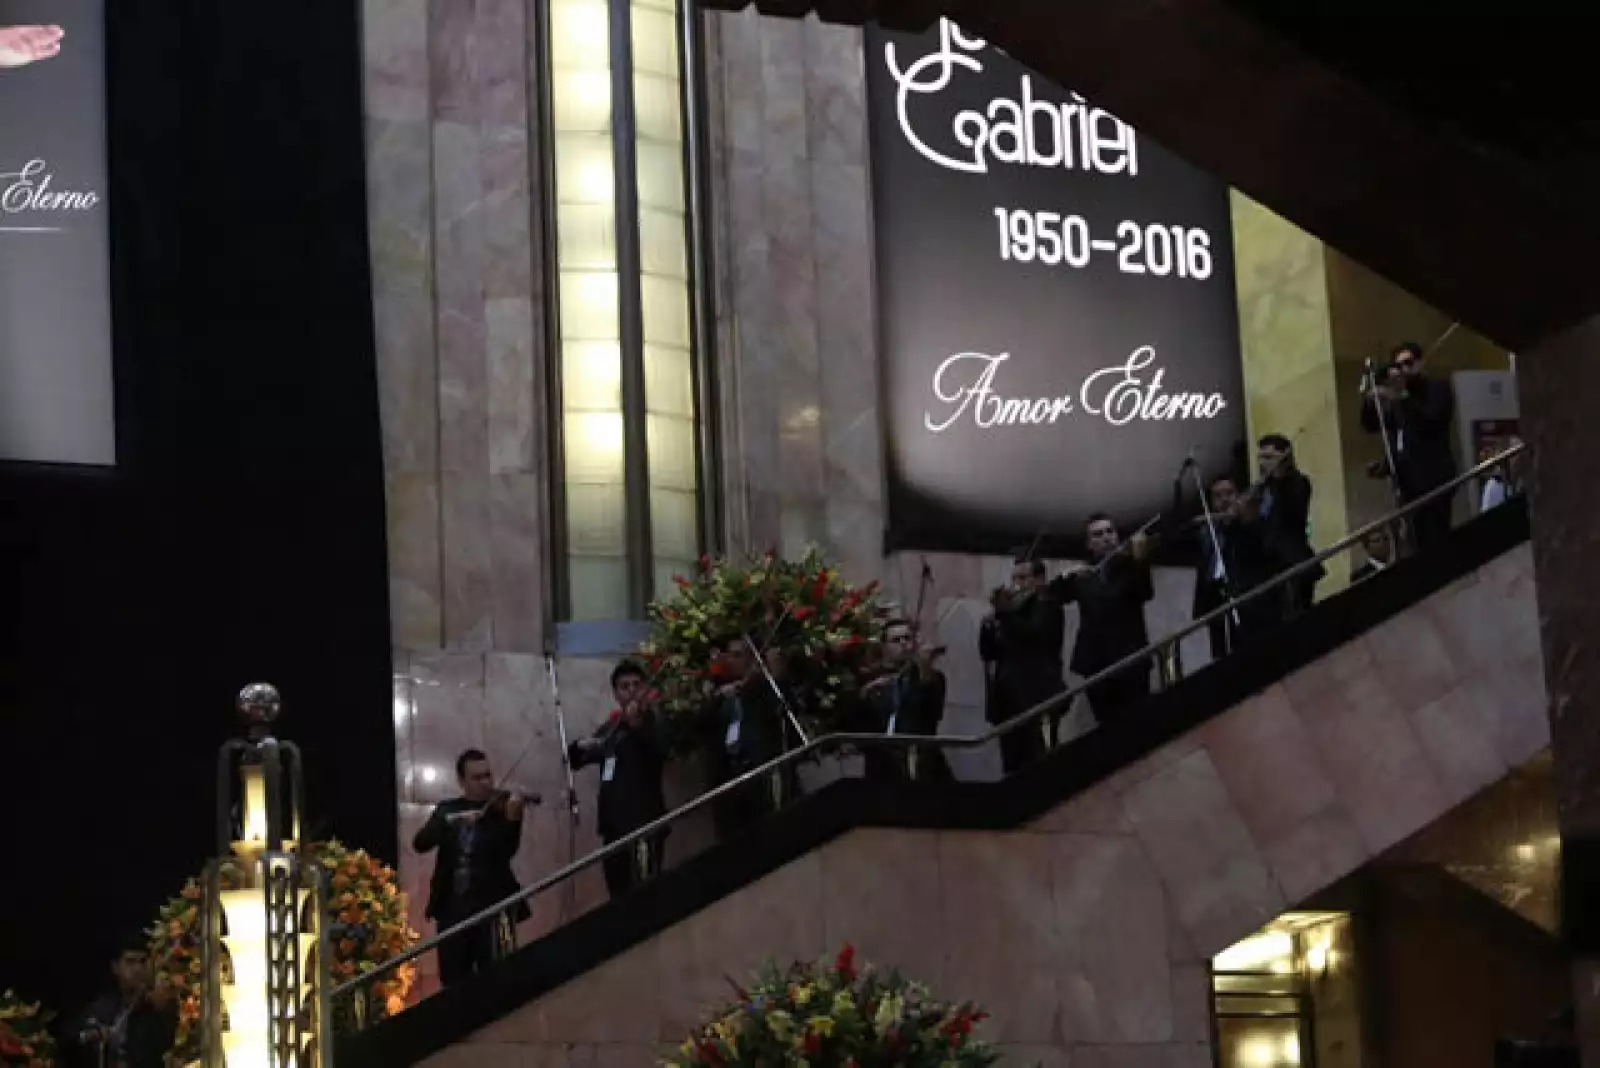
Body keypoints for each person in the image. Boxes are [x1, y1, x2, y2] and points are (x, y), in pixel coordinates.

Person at [412, 749, 533, 986]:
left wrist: (513, 820)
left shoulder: (502, 808)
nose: (485, 783)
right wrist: (452, 823)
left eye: (487, 775)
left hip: (492, 908)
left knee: (498, 980)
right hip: (453, 910)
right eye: (477, 778)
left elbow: (506, 851)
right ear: (462, 781)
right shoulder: (447, 809)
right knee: (453, 981)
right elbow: (420, 843)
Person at [568, 660, 668, 899]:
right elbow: (577, 759)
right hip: (613, 829)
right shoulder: (610, 728)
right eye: (625, 686)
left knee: (644, 892)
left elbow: (659, 753)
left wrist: (637, 726)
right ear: (616, 693)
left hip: (644, 824)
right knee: (618, 893)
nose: (632, 690)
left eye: (636, 684)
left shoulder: (653, 721)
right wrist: (579, 745)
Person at [1050, 514, 1156, 726]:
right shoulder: (1084, 575)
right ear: (1089, 544)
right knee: (1106, 726)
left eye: (1110, 531)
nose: (1107, 537)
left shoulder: (1130, 566)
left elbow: (1146, 592)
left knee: (1138, 724)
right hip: (1095, 662)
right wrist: (1066, 575)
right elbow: (1053, 597)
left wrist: (1140, 559)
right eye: (1098, 534)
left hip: (1131, 657)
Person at [1361, 341, 1457, 550]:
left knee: (1435, 540)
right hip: (1407, 486)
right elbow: (1374, 426)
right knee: (1414, 543)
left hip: (1434, 480)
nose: (1403, 369)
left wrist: (1402, 395)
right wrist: (1371, 399)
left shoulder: (1437, 388)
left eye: (1408, 363)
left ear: (1420, 363)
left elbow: (1431, 422)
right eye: (1398, 365)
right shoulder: (1398, 401)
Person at [707, 637, 801, 841]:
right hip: (729, 777)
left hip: (760, 773)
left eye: (738, 655)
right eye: (729, 656)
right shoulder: (722, 694)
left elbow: (785, 709)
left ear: (752, 660)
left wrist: (774, 677)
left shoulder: (765, 689)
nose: (732, 660)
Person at [1169, 472, 1269, 660]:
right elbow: (1177, 535)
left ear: (1239, 497)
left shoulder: (1249, 524)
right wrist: (1178, 490)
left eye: (1229, 493)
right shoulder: (1206, 530)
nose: (1224, 500)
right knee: (1220, 652)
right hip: (1214, 595)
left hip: (1245, 595)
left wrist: (1237, 518)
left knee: (1249, 650)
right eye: (1218, 496)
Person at [980, 556, 1066, 772]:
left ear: (1039, 580)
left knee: (1043, 760)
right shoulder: (1010, 612)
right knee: (1012, 764)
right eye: (1014, 578)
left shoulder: (1048, 605)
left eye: (1023, 578)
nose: (1017, 584)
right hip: (1007, 700)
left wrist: (1005, 611)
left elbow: (1034, 634)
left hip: (1038, 696)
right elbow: (988, 653)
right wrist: (988, 627)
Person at [855, 618, 952, 783]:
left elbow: (931, 712)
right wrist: (864, 694)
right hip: (882, 765)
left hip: (921, 761)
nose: (903, 644)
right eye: (896, 640)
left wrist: (924, 667)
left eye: (907, 638)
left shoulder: (930, 677)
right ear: (884, 646)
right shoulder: (870, 679)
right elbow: (859, 723)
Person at [1238, 433, 1323, 622]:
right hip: (1266, 570)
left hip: (1291, 564)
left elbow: (1292, 511)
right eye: (1260, 457)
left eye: (1269, 458)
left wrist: (1278, 475)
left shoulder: (1297, 483)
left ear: (1284, 458)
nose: (1262, 463)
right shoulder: (1262, 490)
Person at [73, 936, 177, 1068]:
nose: (138, 969)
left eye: (143, 962)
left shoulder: (159, 1005)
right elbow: (76, 1037)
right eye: (130, 962)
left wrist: (163, 1011)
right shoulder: (102, 1006)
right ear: (116, 967)